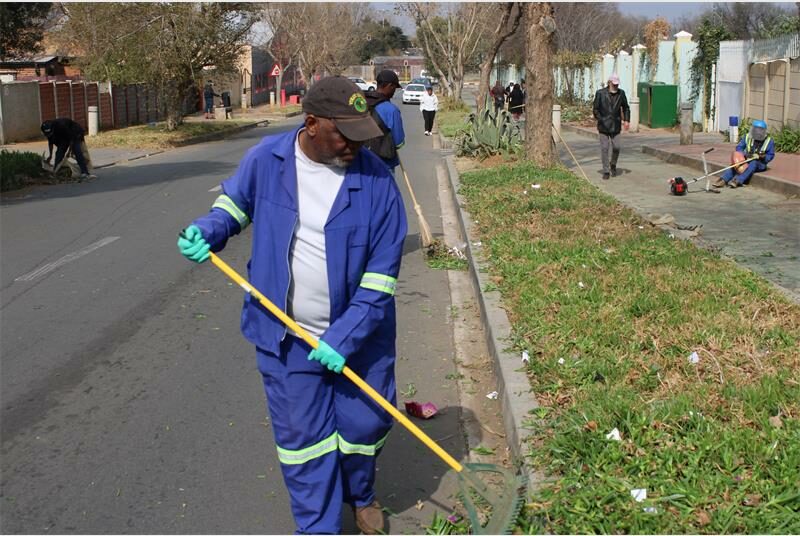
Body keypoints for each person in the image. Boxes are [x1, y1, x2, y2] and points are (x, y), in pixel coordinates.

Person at [176, 75, 408, 535]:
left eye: (362, 136)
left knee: (364, 428)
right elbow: (234, 205)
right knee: (306, 446)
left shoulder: (377, 183)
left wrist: (344, 337)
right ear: (311, 124)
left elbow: (380, 282)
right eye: (345, 135)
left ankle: (360, 494)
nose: (355, 146)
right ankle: (319, 527)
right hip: (287, 338)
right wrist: (211, 229)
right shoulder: (268, 159)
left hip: (360, 341)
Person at [363, 70, 405, 174]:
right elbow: (399, 142)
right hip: (384, 165)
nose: (394, 91)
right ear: (390, 86)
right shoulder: (391, 110)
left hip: (362, 162)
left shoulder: (362, 103)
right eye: (394, 88)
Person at [713, 119, 775, 188]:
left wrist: (763, 157)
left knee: (753, 163)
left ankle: (738, 180)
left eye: (760, 130)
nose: (758, 132)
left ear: (763, 131)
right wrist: (745, 154)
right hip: (747, 159)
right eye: (756, 130)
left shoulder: (769, 141)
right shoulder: (748, 137)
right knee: (736, 165)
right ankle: (723, 180)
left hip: (760, 163)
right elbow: (739, 147)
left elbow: (771, 155)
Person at [592, 73, 630, 180]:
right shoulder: (600, 93)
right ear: (609, 83)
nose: (616, 86)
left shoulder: (621, 93)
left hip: (616, 125)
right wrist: (601, 119)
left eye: (617, 84)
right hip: (603, 125)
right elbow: (595, 109)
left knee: (617, 147)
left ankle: (613, 164)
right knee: (604, 148)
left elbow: (626, 108)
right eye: (614, 84)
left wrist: (626, 120)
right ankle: (606, 170)